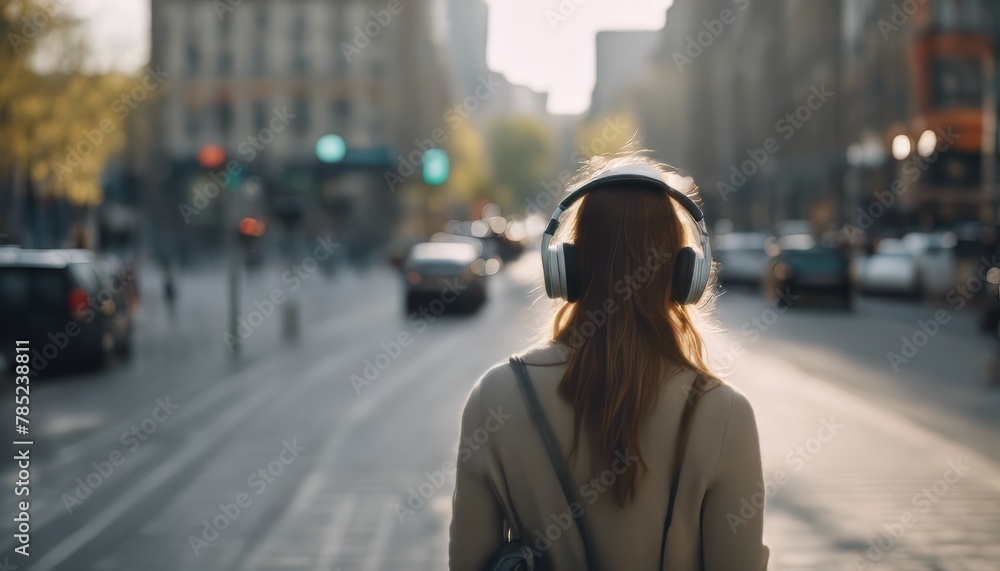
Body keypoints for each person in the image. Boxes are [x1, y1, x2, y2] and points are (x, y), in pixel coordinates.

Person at [449, 156, 769, 570]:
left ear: (567, 268)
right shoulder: (726, 414)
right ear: (685, 274)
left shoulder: (493, 398)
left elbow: (466, 563)